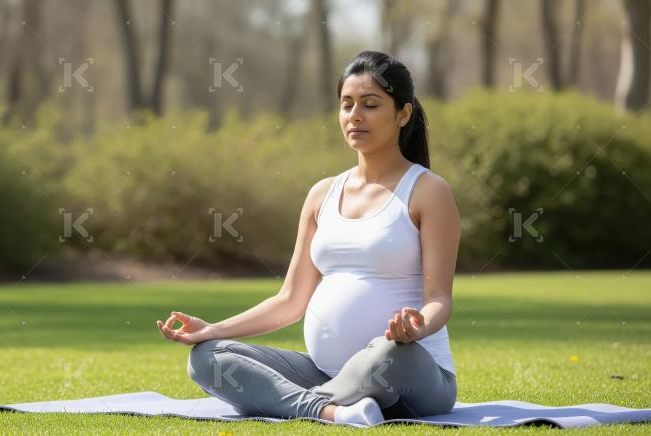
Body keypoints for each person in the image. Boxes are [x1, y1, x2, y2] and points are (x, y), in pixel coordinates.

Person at [156, 50, 460, 426]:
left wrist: (418, 326)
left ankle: (300, 405)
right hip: (325, 372)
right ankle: (335, 411)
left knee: (386, 355)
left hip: (411, 371)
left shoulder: (428, 191)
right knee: (207, 358)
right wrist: (212, 329)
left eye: (370, 105)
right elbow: (290, 300)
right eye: (346, 105)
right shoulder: (322, 194)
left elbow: (439, 301)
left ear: (403, 114)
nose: (355, 116)